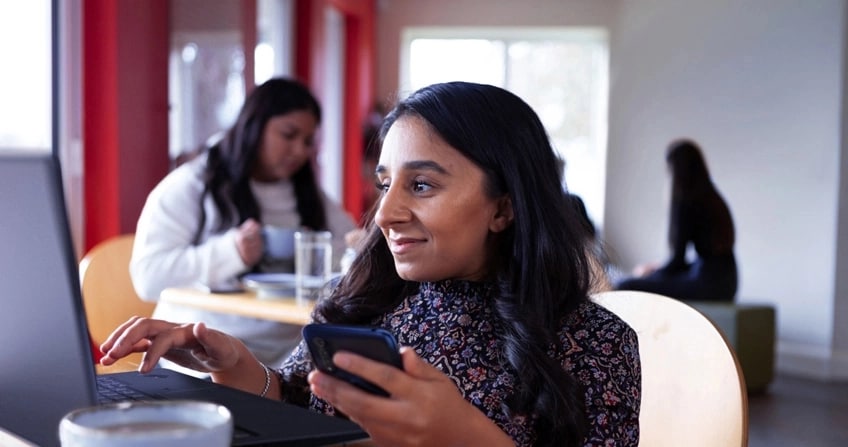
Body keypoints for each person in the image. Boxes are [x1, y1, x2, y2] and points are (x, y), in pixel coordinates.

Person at [103, 81, 641, 446]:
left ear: (504, 206)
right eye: (384, 184)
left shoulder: (596, 343)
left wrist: (463, 436)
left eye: (422, 185)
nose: (384, 213)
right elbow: (295, 401)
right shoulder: (365, 300)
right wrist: (235, 365)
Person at [129, 77, 356, 368]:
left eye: (308, 141)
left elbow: (354, 249)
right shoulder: (192, 185)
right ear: (254, 127)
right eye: (289, 135)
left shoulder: (308, 194)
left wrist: (314, 252)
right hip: (203, 353)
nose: (300, 151)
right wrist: (231, 253)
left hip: (291, 355)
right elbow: (148, 278)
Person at [615, 139, 737, 302]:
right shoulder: (713, 197)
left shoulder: (687, 201)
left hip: (707, 284)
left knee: (625, 285)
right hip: (728, 282)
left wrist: (648, 275)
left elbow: (677, 261)